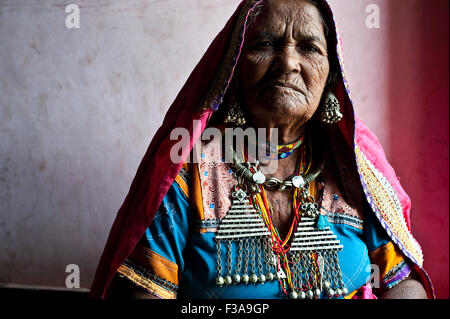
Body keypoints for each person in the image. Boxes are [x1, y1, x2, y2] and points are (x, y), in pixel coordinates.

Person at [90, 0, 434, 299]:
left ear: (331, 76)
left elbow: (402, 283)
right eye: (266, 44)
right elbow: (144, 292)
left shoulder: (354, 169)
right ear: (235, 67)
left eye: (310, 48)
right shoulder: (188, 170)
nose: (287, 62)